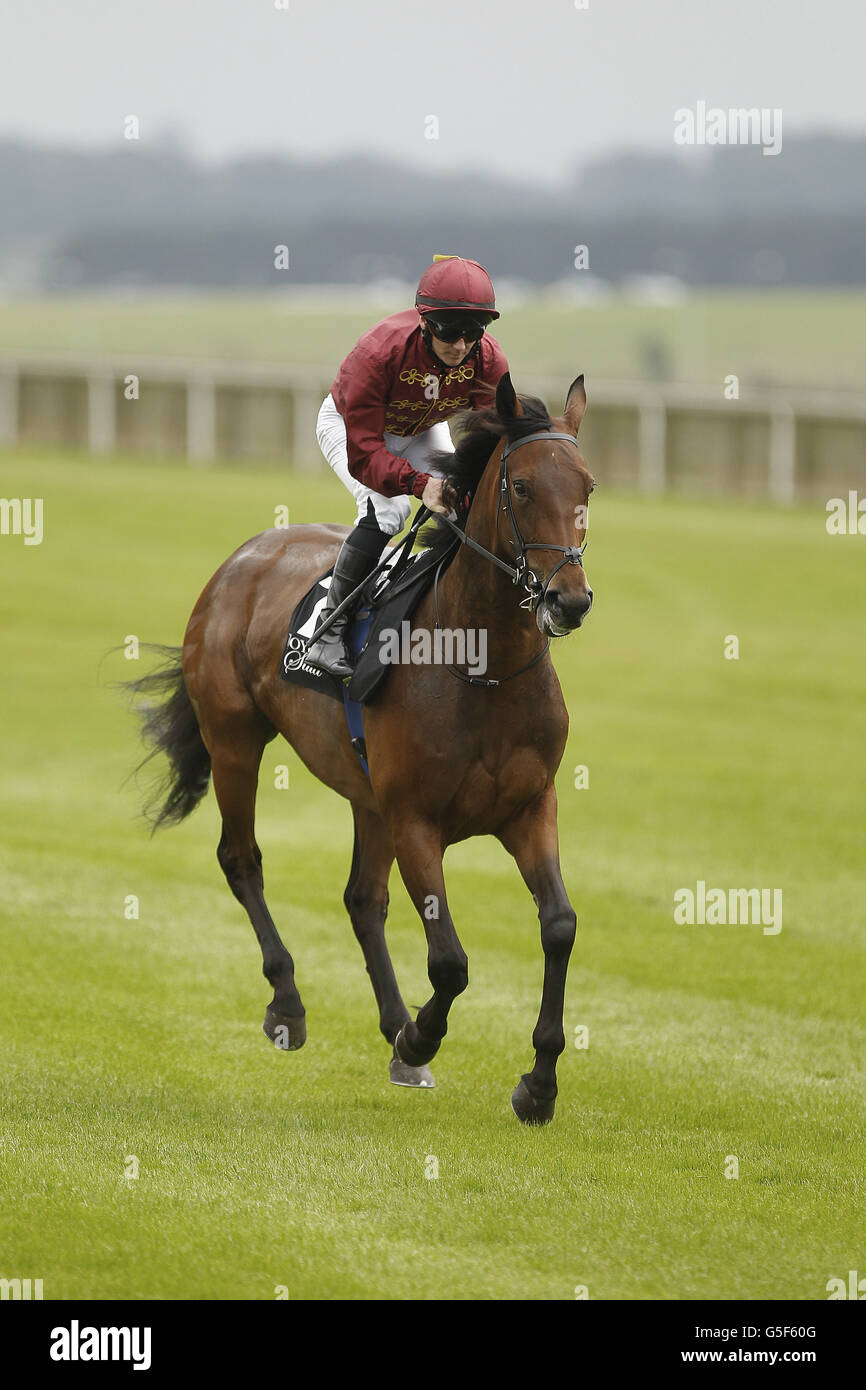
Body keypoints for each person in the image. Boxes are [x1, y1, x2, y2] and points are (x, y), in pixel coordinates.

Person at [304, 254, 509, 678]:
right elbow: (365, 457)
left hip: (421, 428)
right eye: (449, 331)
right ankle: (327, 629)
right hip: (352, 428)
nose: (460, 345)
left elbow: (492, 442)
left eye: (473, 332)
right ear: (424, 323)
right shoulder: (377, 355)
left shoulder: (487, 360)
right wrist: (419, 484)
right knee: (390, 511)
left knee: (460, 505)